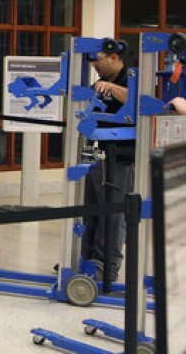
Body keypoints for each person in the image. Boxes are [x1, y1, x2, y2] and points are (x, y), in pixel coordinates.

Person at [80, 43, 134, 282]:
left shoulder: (132, 77)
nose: (95, 67)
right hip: (97, 155)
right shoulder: (99, 82)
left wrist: (112, 87)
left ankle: (107, 268)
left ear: (114, 57)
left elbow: (138, 101)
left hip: (120, 159)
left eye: (98, 62)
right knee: (91, 212)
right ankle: (86, 261)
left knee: (113, 216)